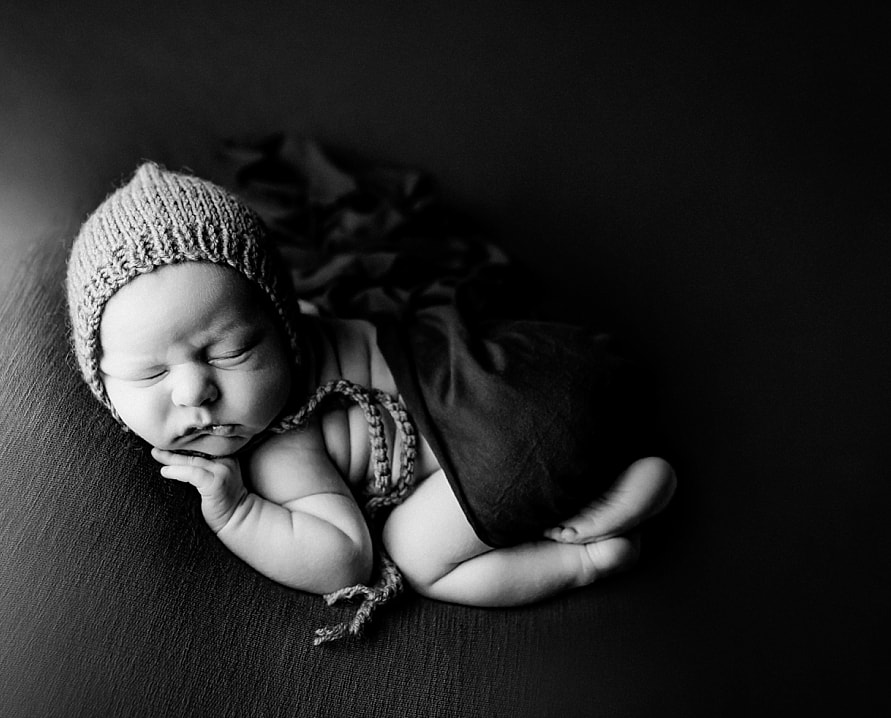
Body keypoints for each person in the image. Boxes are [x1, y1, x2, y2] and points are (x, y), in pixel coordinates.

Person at [65, 162, 676, 643]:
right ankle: (614, 476)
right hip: (533, 365)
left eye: (230, 351)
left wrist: (235, 513)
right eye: (149, 374)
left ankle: (589, 555)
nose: (194, 390)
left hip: (493, 422)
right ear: (104, 388)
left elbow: (346, 562)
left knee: (413, 554)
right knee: (572, 429)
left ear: (284, 329)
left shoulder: (282, 446)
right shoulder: (310, 329)